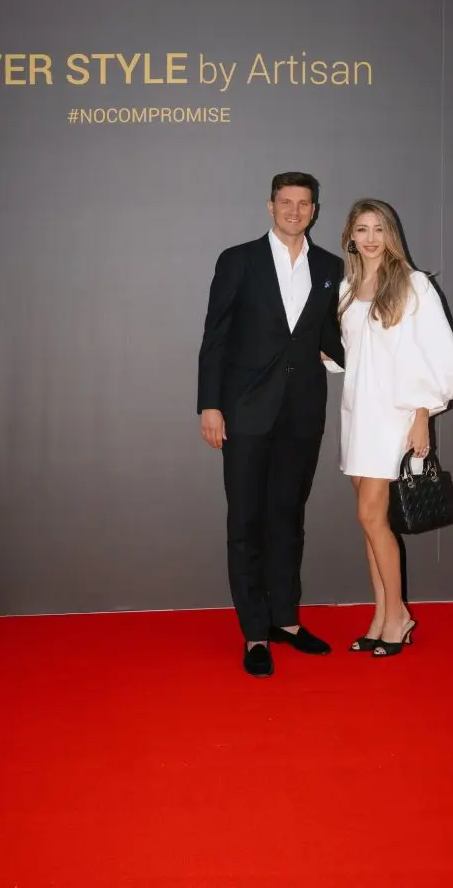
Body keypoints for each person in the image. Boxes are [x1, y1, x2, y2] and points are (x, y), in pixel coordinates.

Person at [197, 172, 345, 678]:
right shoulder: (238, 260)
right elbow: (215, 337)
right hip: (244, 412)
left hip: (302, 413)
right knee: (246, 522)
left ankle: (286, 619)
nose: (294, 211)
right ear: (270, 206)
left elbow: (331, 335)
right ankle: (255, 632)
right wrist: (210, 405)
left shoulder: (330, 267)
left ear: (314, 211)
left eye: (304, 204)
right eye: (286, 202)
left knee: (288, 519)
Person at [323, 199, 453, 657]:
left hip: (394, 417)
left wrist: (423, 414)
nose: (370, 238)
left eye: (378, 229)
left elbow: (442, 356)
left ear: (391, 235)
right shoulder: (346, 288)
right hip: (357, 414)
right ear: (350, 236)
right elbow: (347, 355)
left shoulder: (413, 284)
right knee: (372, 524)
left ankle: (398, 615)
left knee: (371, 517)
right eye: (361, 229)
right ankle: (381, 615)